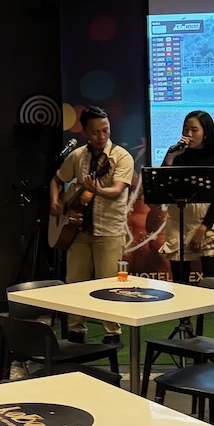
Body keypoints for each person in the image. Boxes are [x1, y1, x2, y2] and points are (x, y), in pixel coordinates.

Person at [49, 105, 135, 344]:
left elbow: (117, 190)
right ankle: (76, 328)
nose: (102, 136)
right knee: (75, 280)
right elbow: (56, 180)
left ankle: (112, 332)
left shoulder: (121, 157)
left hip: (109, 229)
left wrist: (97, 189)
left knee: (109, 283)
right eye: (96, 132)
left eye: (105, 130)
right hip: (76, 229)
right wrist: (55, 201)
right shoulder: (76, 157)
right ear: (85, 132)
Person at [158, 110, 214, 285]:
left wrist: (203, 228)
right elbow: (161, 184)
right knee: (180, 280)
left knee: (213, 278)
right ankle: (182, 313)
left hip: (208, 221)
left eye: (194, 130)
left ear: (206, 133)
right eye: (185, 130)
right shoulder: (177, 156)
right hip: (179, 219)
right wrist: (170, 156)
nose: (188, 135)